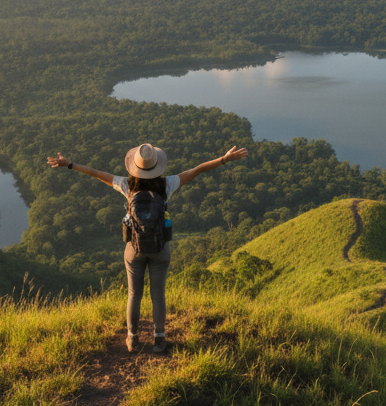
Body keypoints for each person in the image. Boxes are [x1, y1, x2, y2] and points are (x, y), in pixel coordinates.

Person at [48, 143, 248, 353]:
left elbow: (96, 173)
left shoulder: (128, 186)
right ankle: (159, 340)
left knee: (134, 293)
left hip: (134, 248)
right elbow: (197, 169)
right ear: (156, 165)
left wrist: (69, 164)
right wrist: (224, 159)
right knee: (158, 294)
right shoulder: (166, 185)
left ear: (135, 166)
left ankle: (132, 339)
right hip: (160, 247)